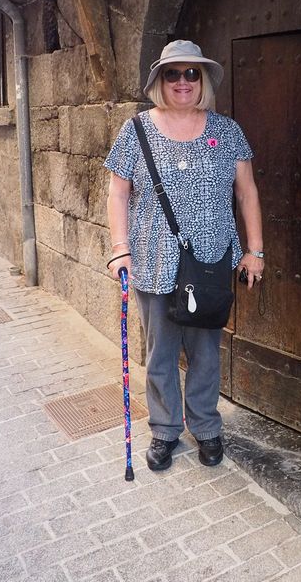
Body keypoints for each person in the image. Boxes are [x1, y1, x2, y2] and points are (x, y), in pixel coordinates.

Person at [104, 39, 264, 471]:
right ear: (160, 80)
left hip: (209, 262)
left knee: (206, 353)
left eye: (192, 73)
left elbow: (246, 192)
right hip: (153, 259)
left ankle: (207, 427)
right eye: (173, 73)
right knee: (159, 352)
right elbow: (118, 194)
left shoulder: (227, 131)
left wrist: (255, 250)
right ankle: (165, 430)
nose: (183, 81)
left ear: (203, 80)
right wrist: (120, 249)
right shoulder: (135, 130)